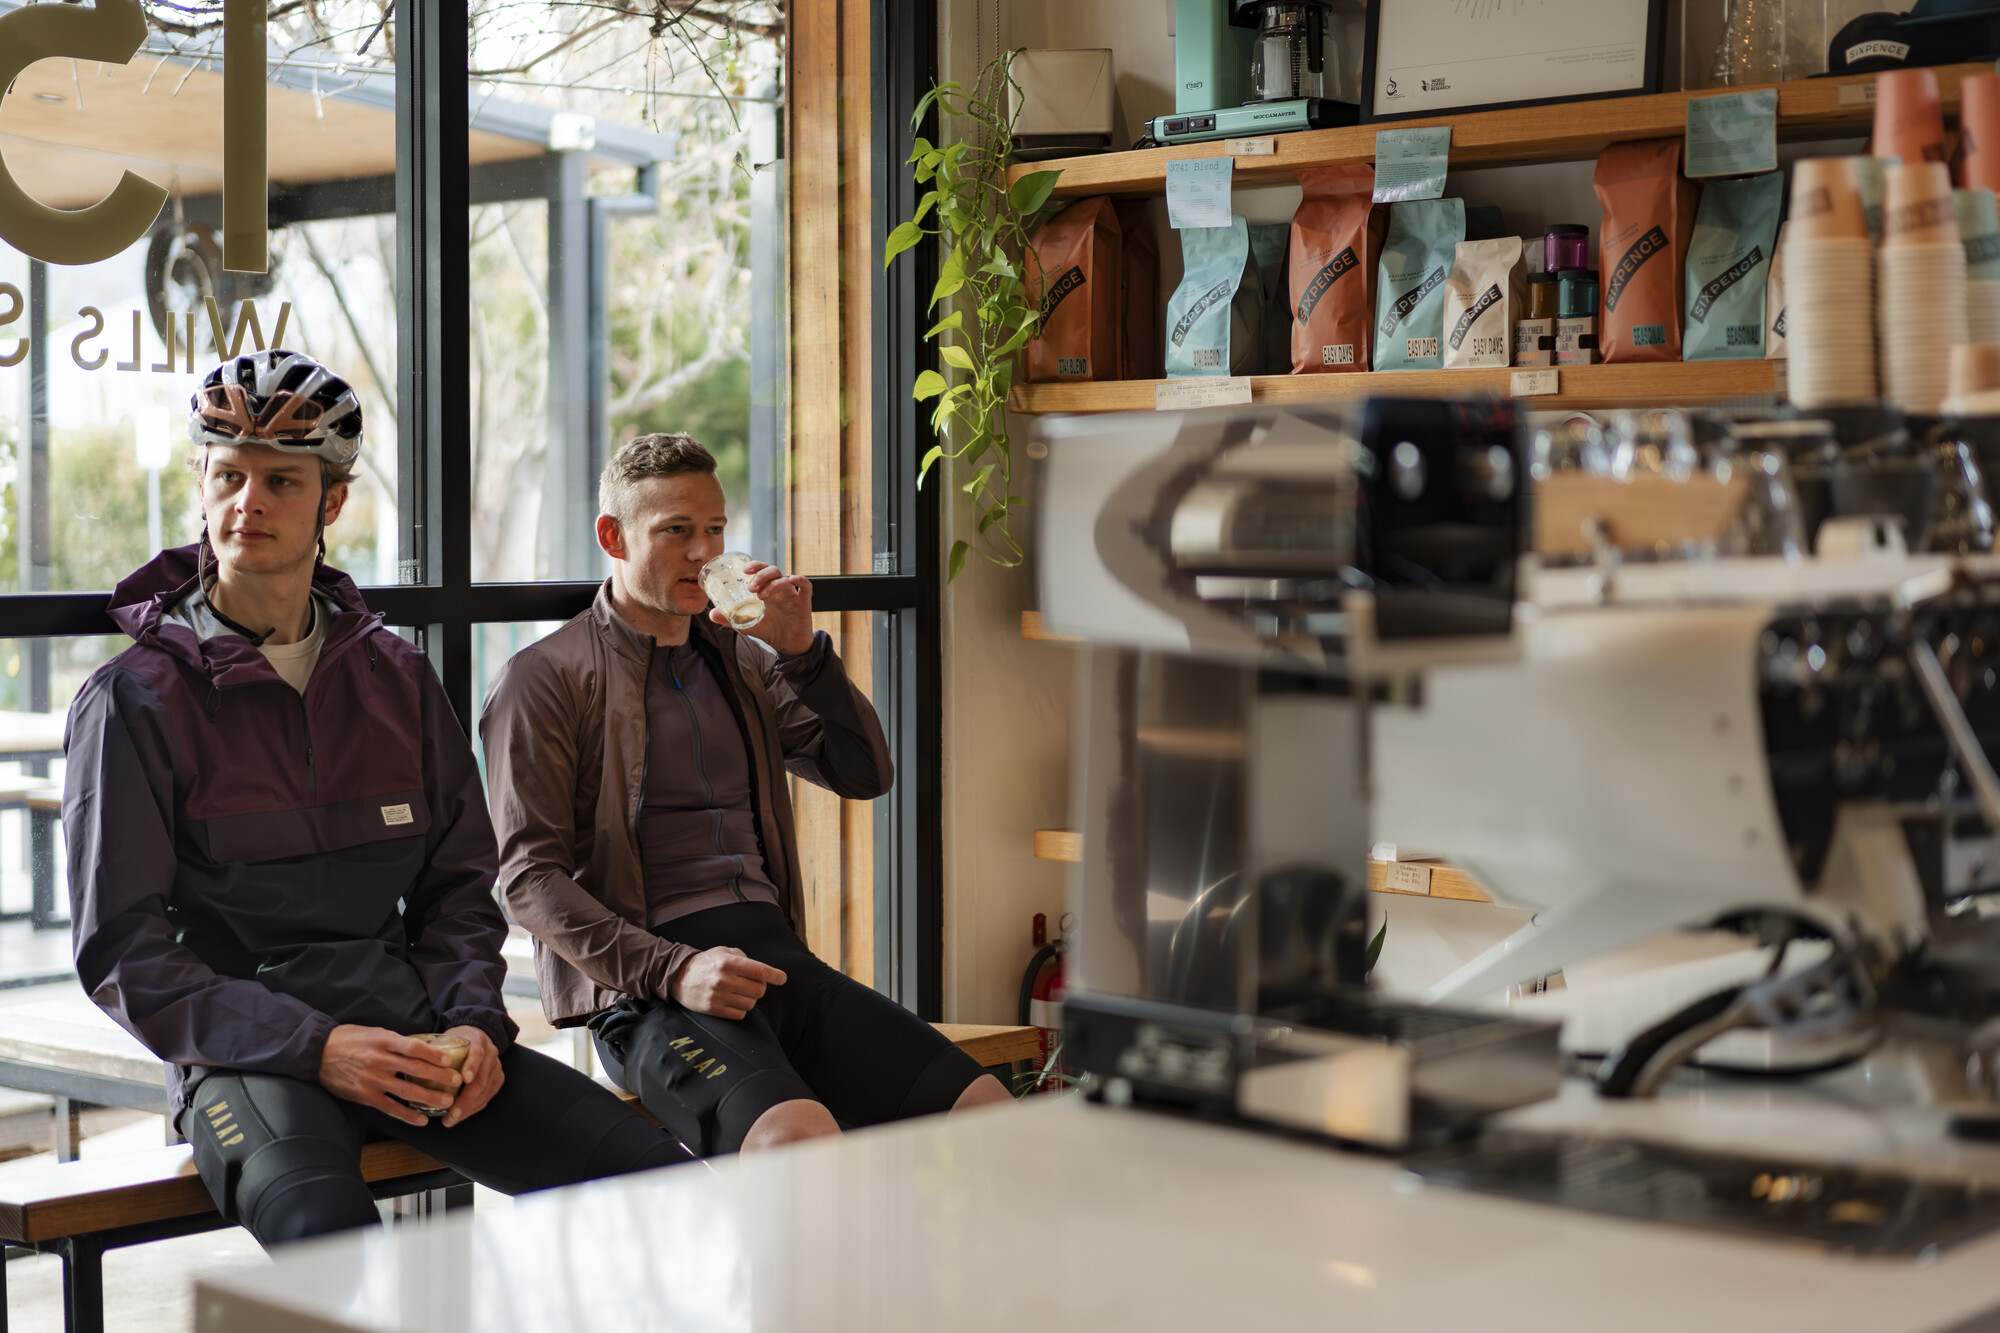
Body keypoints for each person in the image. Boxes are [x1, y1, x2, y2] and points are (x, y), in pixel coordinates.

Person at [63, 351, 689, 1249]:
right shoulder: (133, 700)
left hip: (413, 1033)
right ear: (200, 486)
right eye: (228, 475)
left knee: (660, 1184)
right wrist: (318, 1046)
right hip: (246, 1058)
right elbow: (125, 950)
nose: (249, 503)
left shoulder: (397, 679)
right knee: (332, 1243)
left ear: (332, 503)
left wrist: (474, 1024)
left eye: (281, 480)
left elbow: (460, 888)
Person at [480, 433, 1012, 1158]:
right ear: (613, 535)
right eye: (675, 531)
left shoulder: (744, 661)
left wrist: (803, 657)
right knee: (799, 1142)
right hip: (650, 994)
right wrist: (675, 968)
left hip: (779, 965)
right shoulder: (543, 677)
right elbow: (527, 881)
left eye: (715, 530)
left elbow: (863, 772)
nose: (704, 552)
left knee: (990, 1113)